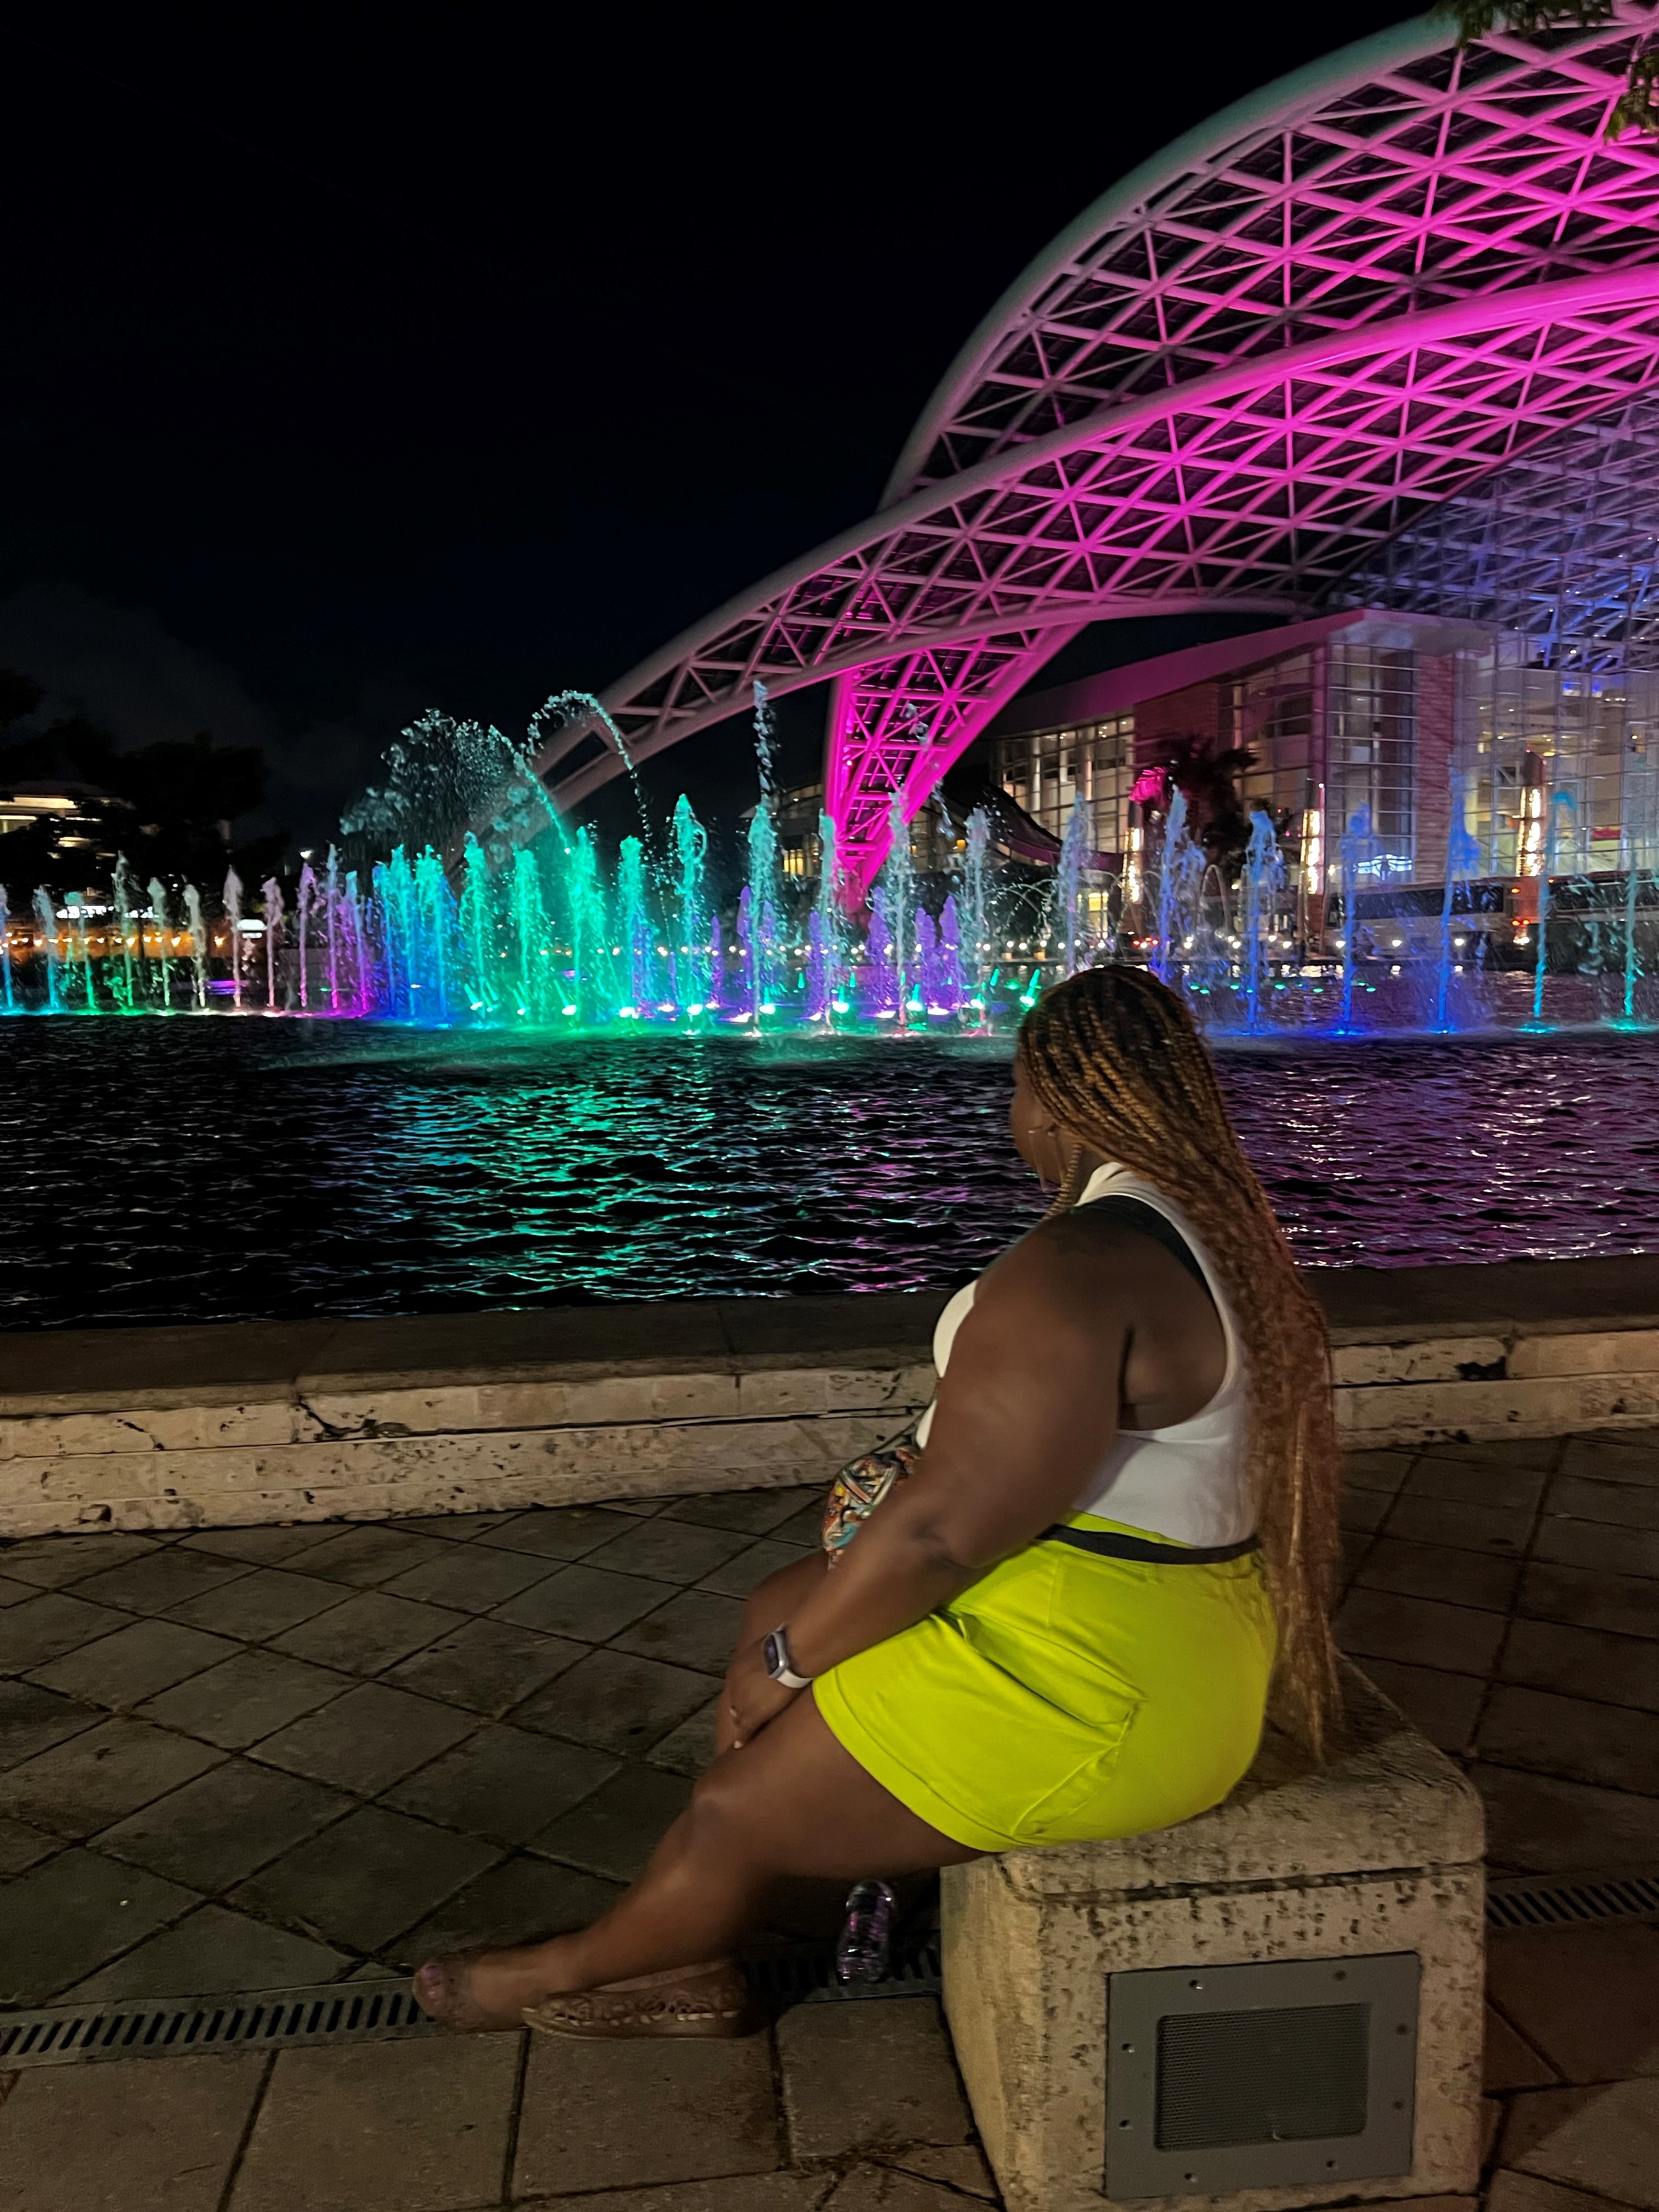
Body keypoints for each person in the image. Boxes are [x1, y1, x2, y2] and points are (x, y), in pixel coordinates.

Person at [414, 964, 1342, 2038]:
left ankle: (584, 1963)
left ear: (1048, 1095)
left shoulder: (1080, 1265)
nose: (1013, 1119)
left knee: (732, 1798)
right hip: (1155, 1619)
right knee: (778, 1598)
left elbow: (945, 1538)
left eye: (1015, 1089)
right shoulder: (1198, 1225)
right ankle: (738, 1904)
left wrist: (786, 1671)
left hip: (1106, 1693)